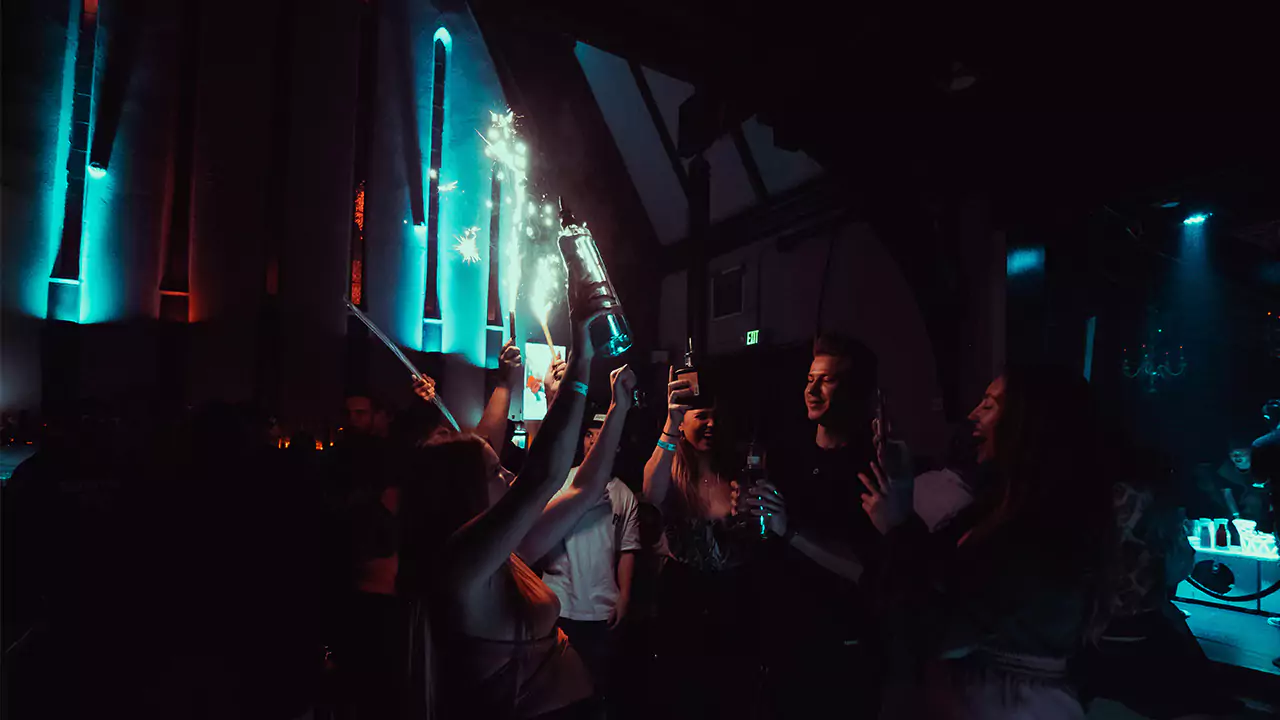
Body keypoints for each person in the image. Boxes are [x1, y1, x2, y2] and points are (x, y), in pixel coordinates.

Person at [396, 300, 617, 720]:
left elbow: (585, 489)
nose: (508, 478)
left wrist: (620, 408)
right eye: (496, 472)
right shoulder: (462, 566)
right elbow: (544, 477)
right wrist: (581, 362)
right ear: (465, 492)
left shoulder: (503, 556)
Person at [864, 366, 1116, 720]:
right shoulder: (999, 510)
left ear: (1030, 423)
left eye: (989, 404)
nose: (972, 415)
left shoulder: (1038, 532)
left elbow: (939, 630)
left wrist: (896, 530)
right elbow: (941, 573)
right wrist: (902, 495)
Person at [739, 333, 883, 719]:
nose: (813, 390)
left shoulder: (871, 468)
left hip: (840, 646)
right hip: (780, 636)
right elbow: (765, 536)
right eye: (809, 379)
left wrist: (790, 531)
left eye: (827, 380)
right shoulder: (785, 453)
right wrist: (748, 512)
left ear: (854, 389)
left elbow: (864, 570)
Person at [641, 368, 760, 720]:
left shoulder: (741, 470)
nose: (711, 424)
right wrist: (669, 420)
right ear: (683, 421)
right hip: (684, 598)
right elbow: (650, 492)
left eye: (717, 417)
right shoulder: (673, 471)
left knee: (730, 696)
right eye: (702, 416)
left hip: (735, 599)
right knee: (685, 695)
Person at [534, 408, 640, 709]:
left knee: (595, 692)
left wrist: (624, 597)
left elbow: (628, 549)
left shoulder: (624, 495)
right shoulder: (560, 484)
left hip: (601, 610)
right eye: (589, 436)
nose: (593, 443)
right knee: (555, 693)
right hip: (559, 604)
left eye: (601, 437)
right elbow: (536, 537)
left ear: (614, 443)